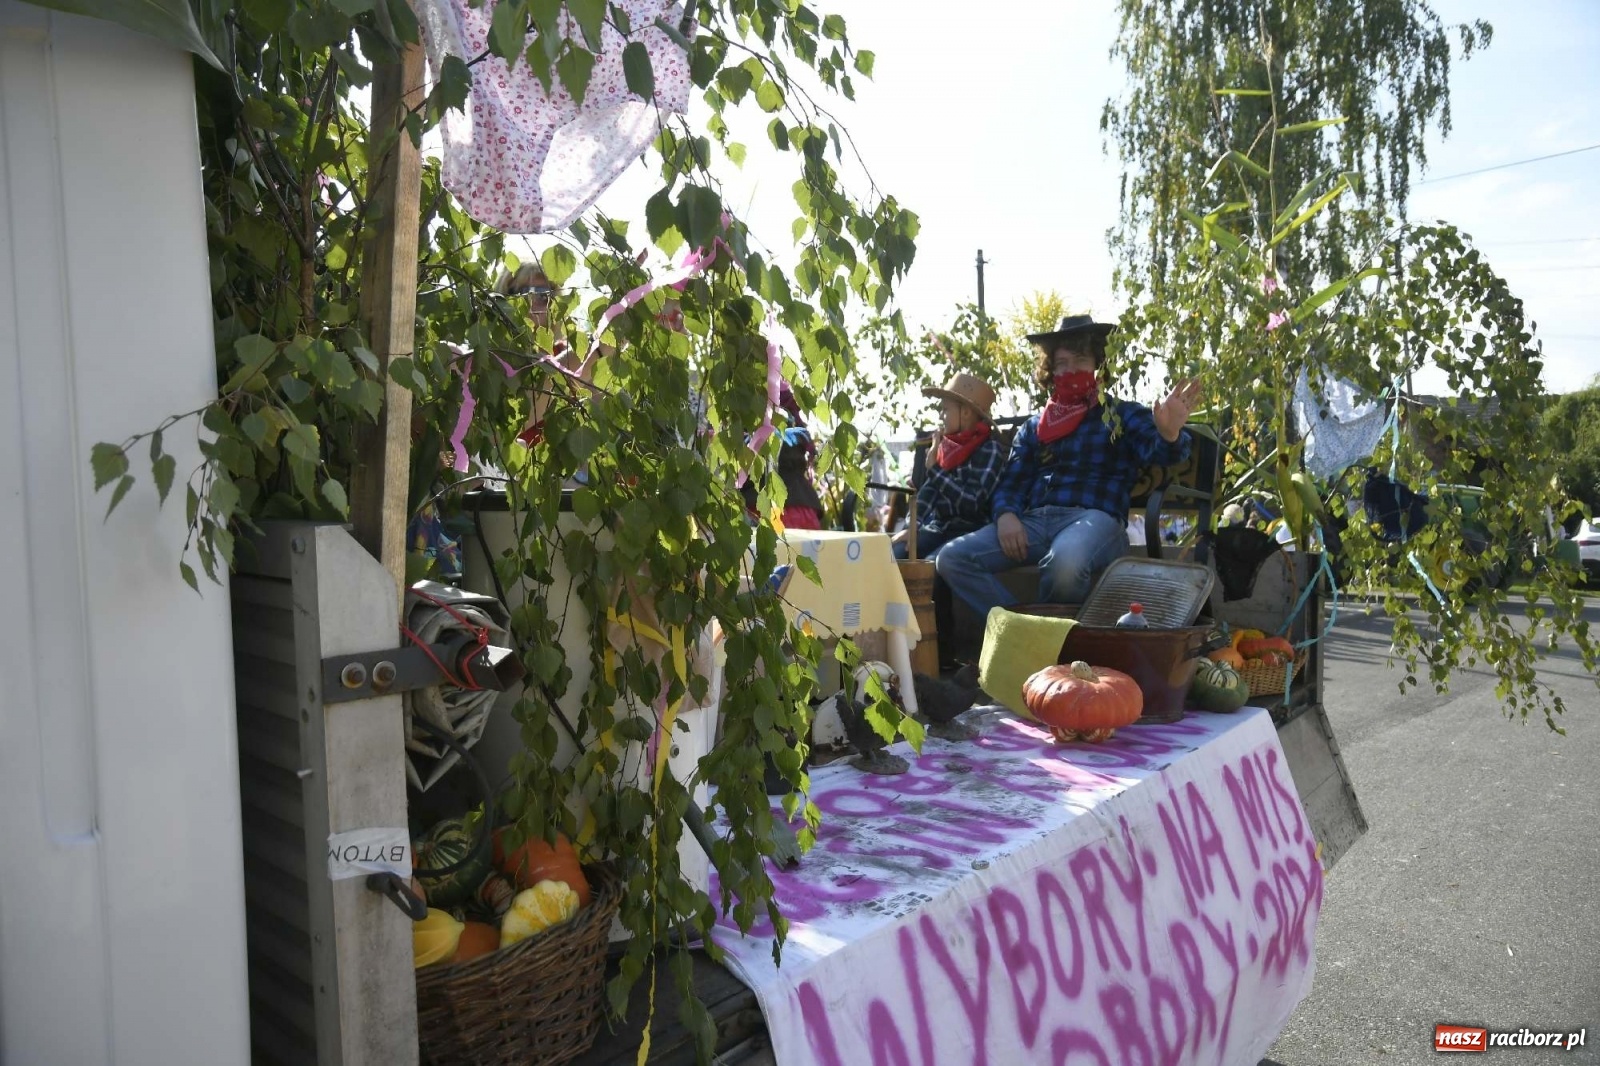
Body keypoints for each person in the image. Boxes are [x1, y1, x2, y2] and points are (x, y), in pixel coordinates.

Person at [936, 314, 1202, 617]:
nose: (1071, 370)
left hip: (1096, 521)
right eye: (1062, 363)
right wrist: (1006, 514)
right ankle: (1020, 629)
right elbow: (1011, 481)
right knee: (952, 558)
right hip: (1035, 523)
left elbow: (1162, 453)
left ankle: (1045, 642)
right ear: (1050, 370)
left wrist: (1169, 433)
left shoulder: (1120, 415)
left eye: (1080, 359)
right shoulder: (1035, 427)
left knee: (1065, 563)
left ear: (1099, 364)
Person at [892, 371, 1005, 561]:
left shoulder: (989, 450)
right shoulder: (948, 448)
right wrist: (911, 528)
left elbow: (972, 502)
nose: (941, 415)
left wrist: (935, 470)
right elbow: (927, 493)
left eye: (946, 410)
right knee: (896, 554)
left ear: (966, 413)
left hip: (970, 531)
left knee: (933, 565)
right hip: (938, 528)